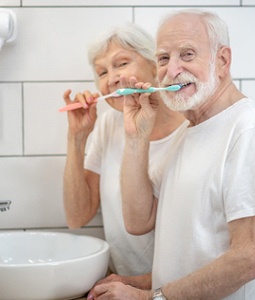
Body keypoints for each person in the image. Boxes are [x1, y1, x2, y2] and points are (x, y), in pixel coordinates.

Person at [88, 9, 255, 300]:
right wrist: (136, 138)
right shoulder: (189, 131)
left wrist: (149, 298)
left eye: (187, 55)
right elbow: (137, 220)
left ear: (222, 60)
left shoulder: (249, 131)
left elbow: (248, 260)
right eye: (163, 58)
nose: (172, 70)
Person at [62, 23, 188, 296]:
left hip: (175, 290)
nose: (113, 78)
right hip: (122, 287)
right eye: (102, 72)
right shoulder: (109, 125)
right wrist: (77, 138)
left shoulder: (190, 130)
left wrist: (140, 285)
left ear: (155, 65)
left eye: (121, 64)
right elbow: (76, 216)